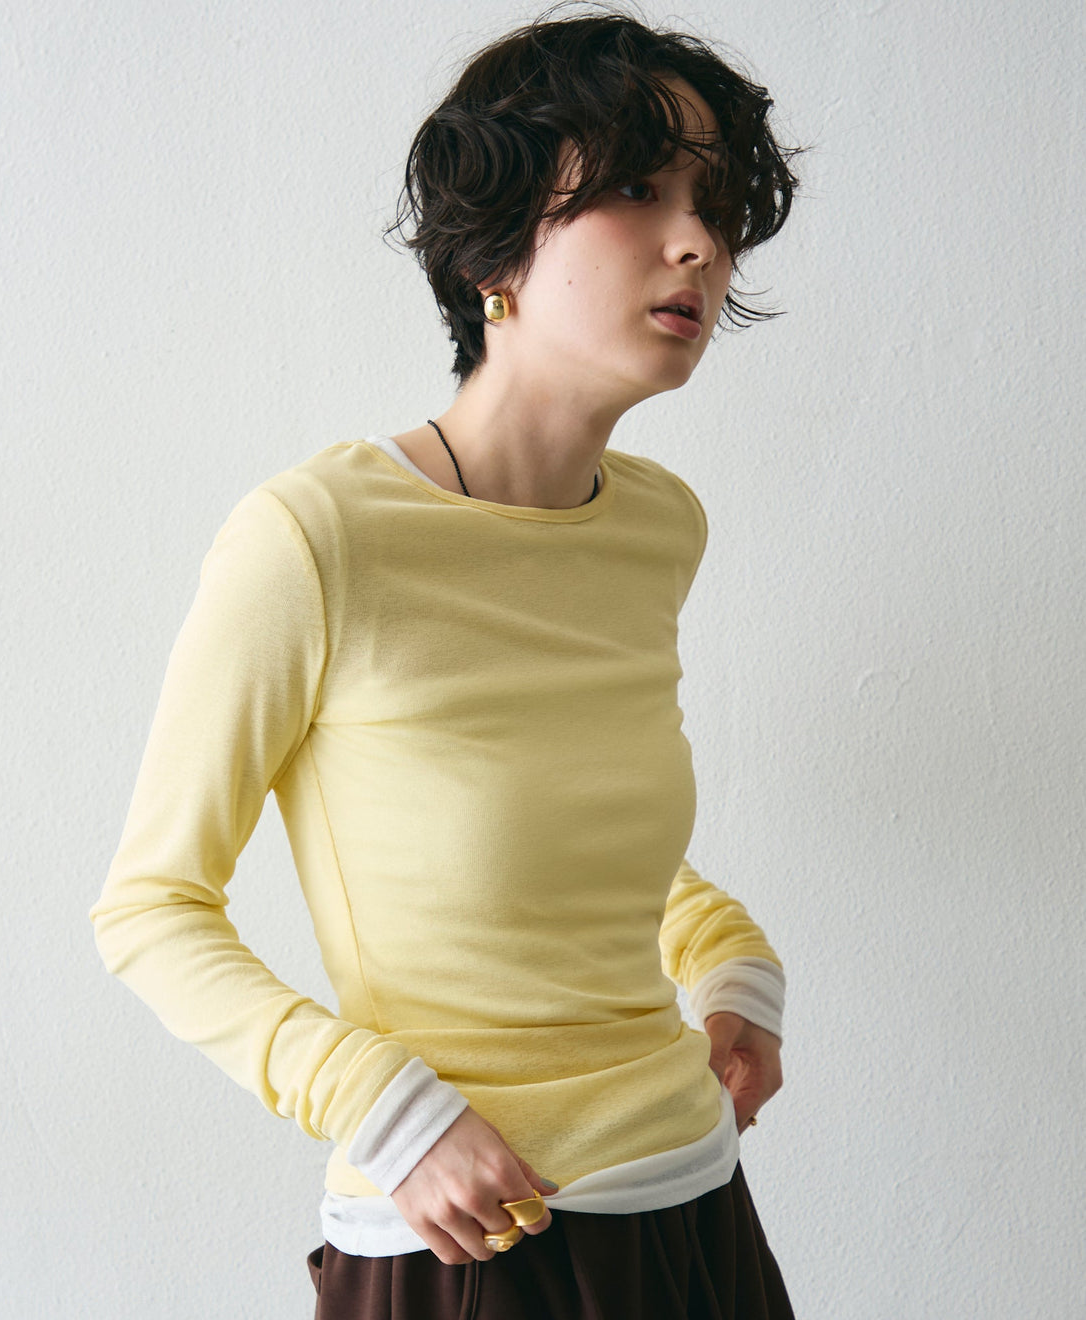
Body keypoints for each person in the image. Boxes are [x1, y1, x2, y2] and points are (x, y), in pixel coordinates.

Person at [90, 4, 801, 1316]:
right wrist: (382, 1107)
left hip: (700, 1213)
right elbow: (151, 909)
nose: (698, 240)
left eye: (713, 201)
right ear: (496, 249)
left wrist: (730, 959)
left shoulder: (659, 527)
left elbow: (569, 841)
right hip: (473, 1250)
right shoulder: (316, 539)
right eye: (638, 190)